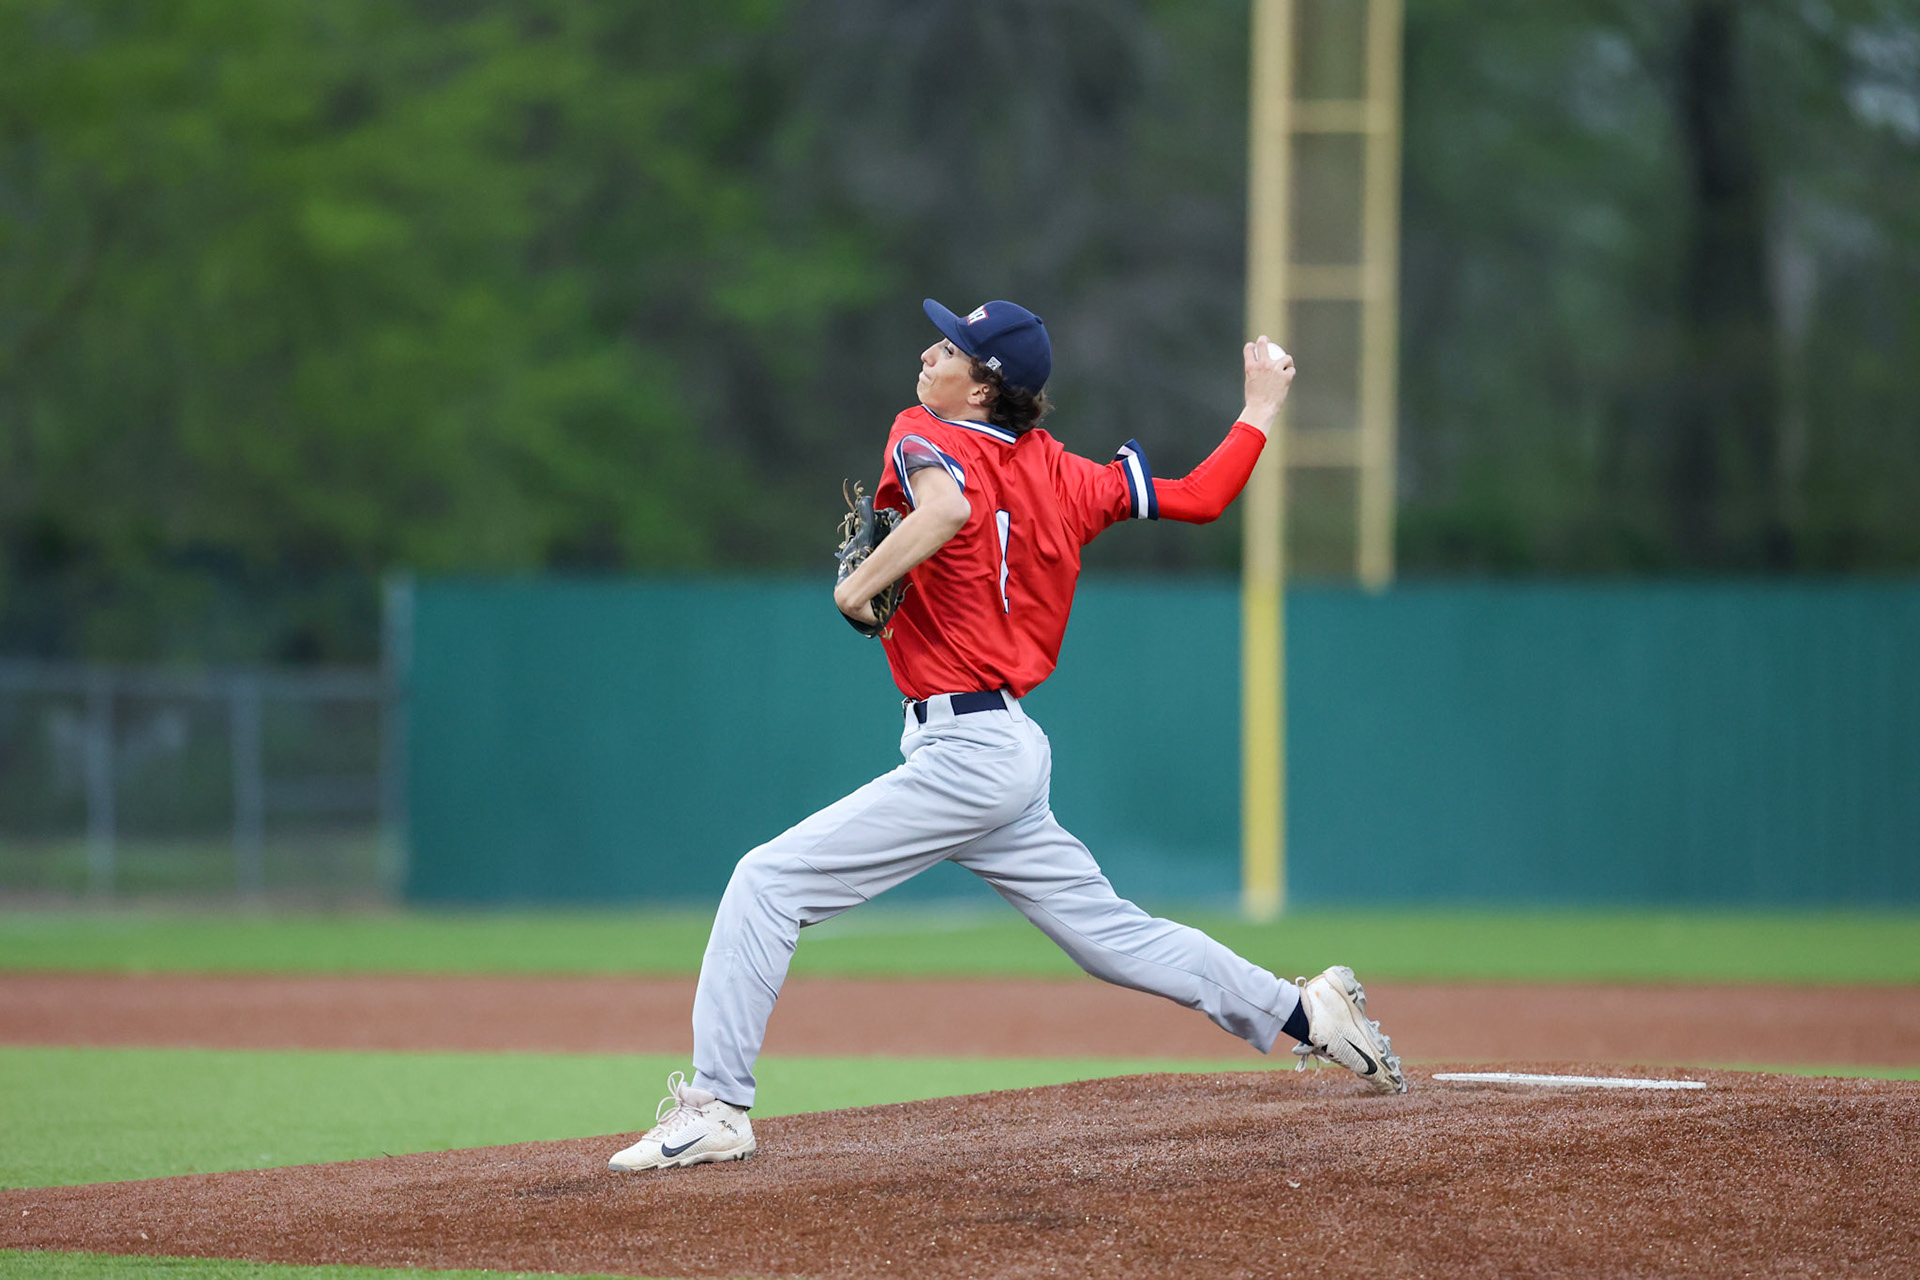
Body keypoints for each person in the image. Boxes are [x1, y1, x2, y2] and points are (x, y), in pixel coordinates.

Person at [609, 298, 1404, 1173]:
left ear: (984, 388)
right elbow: (1201, 498)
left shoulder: (922, 430)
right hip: (1004, 751)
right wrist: (1257, 410)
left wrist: (855, 588)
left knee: (765, 883)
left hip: (967, 755)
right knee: (1112, 937)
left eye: (951, 348)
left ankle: (717, 1107)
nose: (929, 353)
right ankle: (1308, 1013)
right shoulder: (1065, 475)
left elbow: (946, 509)